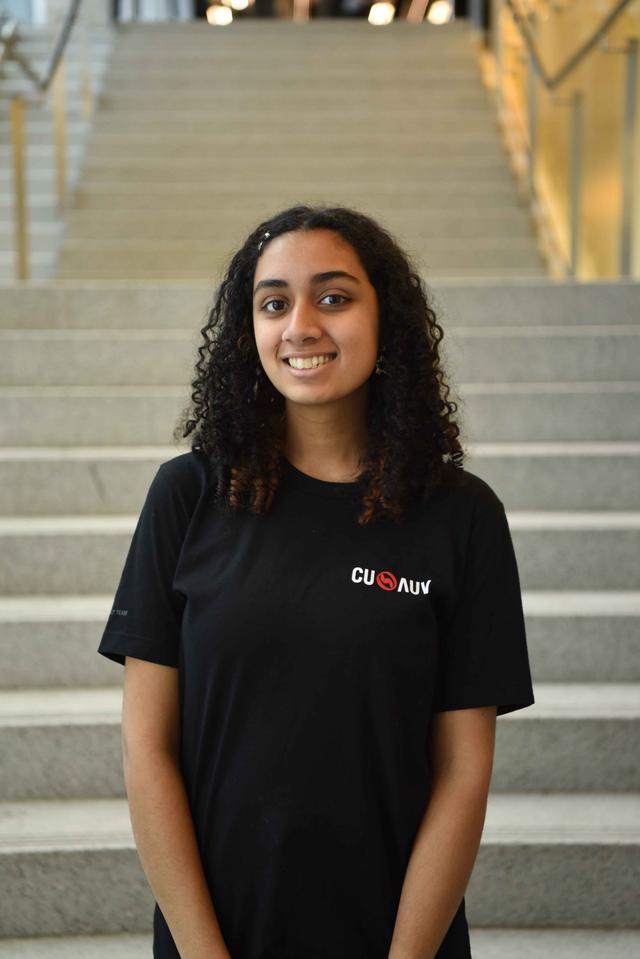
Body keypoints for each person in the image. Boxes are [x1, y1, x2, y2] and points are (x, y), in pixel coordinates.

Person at [97, 203, 535, 959]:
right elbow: (146, 749)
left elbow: (463, 772)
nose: (300, 326)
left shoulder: (462, 517)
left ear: (386, 318)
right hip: (217, 932)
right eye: (274, 303)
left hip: (397, 934)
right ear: (250, 332)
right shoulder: (187, 497)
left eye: (333, 297)